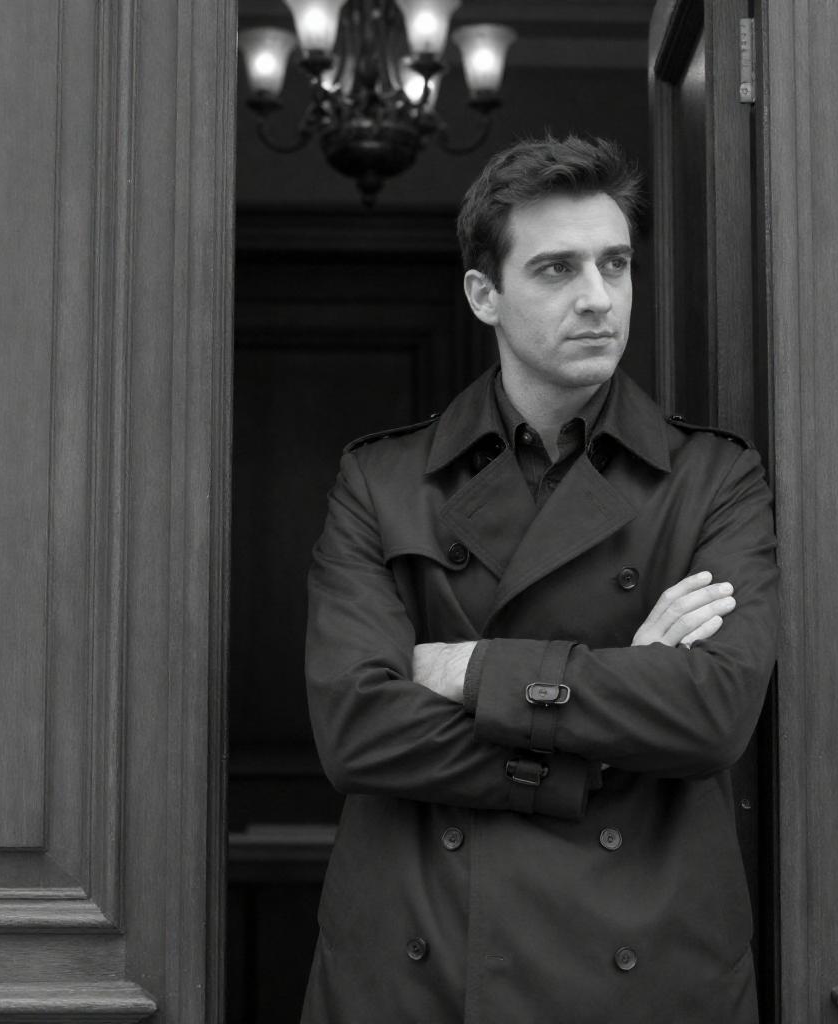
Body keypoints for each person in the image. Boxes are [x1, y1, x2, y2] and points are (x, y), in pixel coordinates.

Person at [301, 134, 778, 1023]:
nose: (598, 297)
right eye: (557, 269)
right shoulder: (382, 482)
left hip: (646, 962)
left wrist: (470, 671)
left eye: (615, 264)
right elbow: (357, 731)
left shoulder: (715, 480)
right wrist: (609, 722)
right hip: (425, 966)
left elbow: (713, 713)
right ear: (484, 294)